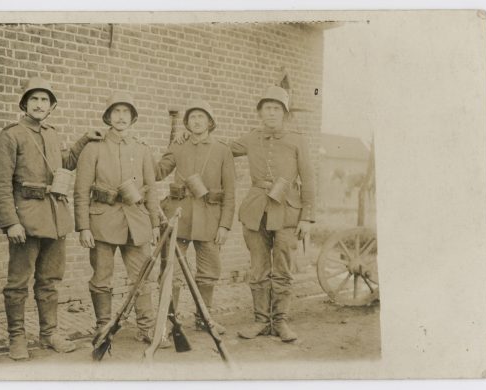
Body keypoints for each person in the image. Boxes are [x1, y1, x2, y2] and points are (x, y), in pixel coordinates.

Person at [0, 77, 101, 360]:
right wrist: (10, 222)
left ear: (51, 107)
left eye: (45, 100)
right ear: (25, 104)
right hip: (25, 220)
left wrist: (86, 137)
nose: (39, 105)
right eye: (34, 99)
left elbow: (64, 164)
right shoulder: (10, 135)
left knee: (49, 281)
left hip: (55, 219)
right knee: (18, 284)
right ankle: (17, 338)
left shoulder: (51, 133)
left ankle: (49, 334)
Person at [74, 91, 161, 344]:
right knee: (101, 278)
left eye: (126, 112)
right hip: (102, 221)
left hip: (137, 221)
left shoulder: (142, 149)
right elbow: (80, 190)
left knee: (143, 276)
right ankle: (103, 328)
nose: (121, 117)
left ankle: (146, 328)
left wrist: (154, 222)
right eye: (116, 112)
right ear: (108, 116)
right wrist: (83, 227)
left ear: (133, 118)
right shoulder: (93, 148)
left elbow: (152, 188)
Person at [230, 86, 316, 342]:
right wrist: (189, 137)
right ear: (260, 113)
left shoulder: (297, 140)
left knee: (282, 268)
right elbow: (222, 148)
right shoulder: (251, 138)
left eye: (276, 109)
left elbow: (309, 179)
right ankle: (260, 321)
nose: (271, 113)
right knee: (258, 268)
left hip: (287, 213)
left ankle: (280, 322)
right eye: (266, 108)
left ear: (284, 114)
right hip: (256, 211)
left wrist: (307, 217)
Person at [154, 100, 235, 334]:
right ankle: (169, 323)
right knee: (172, 274)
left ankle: (204, 319)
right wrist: (143, 155)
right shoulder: (178, 146)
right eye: (192, 117)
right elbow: (158, 172)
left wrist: (225, 225)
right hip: (178, 218)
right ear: (187, 123)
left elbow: (230, 192)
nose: (197, 121)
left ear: (210, 122)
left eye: (201, 117)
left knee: (208, 272)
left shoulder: (222, 150)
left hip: (210, 220)